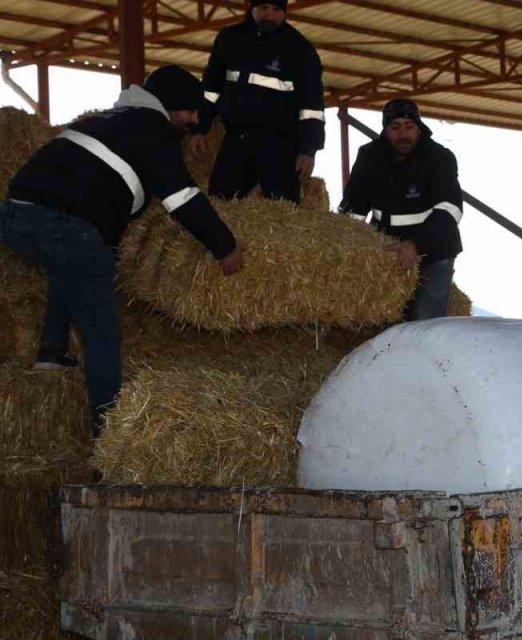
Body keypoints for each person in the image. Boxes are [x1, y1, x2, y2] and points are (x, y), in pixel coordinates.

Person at [0, 65, 244, 437]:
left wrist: (104, 248)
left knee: (70, 263)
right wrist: (224, 246)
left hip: (15, 213)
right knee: (102, 329)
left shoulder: (111, 119)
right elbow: (182, 198)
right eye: (190, 111)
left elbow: (97, 196)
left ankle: (51, 353)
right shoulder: (154, 130)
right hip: (63, 221)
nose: (194, 120)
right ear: (170, 105)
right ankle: (109, 433)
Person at [337, 99, 462, 320]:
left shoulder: (440, 157)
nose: (403, 134)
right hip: (387, 252)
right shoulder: (369, 156)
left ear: (419, 127)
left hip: (434, 253)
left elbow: (450, 209)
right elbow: (352, 209)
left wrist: (416, 245)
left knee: (424, 323)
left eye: (409, 126)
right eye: (395, 127)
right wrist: (346, 248)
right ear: (385, 130)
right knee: (380, 323)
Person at [193, 0, 325, 203]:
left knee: (283, 208)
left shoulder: (300, 50)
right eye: (263, 8)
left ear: (284, 12)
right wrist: (199, 128)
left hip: (281, 143)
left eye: (275, 10)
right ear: (252, 8)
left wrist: (308, 150)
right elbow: (211, 88)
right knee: (221, 201)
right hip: (238, 137)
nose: (269, 16)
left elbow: (312, 107)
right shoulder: (230, 39)